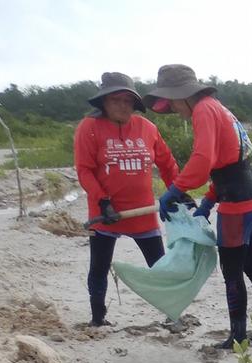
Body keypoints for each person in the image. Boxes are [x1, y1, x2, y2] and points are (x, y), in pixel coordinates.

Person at [142, 64, 252, 348]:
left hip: (237, 206)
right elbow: (229, 162)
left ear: (181, 95)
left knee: (232, 271)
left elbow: (202, 158)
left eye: (171, 101)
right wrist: (208, 201)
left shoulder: (203, 111)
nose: (171, 108)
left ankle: (238, 336)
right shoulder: (218, 108)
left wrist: (175, 190)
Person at [74, 72, 179, 327]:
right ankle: (98, 318)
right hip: (105, 212)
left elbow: (167, 165)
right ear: (104, 102)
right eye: (115, 100)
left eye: (127, 100)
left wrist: (177, 191)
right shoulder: (89, 128)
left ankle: (173, 315)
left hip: (142, 212)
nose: (122, 105)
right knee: (99, 266)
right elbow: (84, 169)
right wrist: (102, 201)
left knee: (159, 266)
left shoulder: (148, 128)